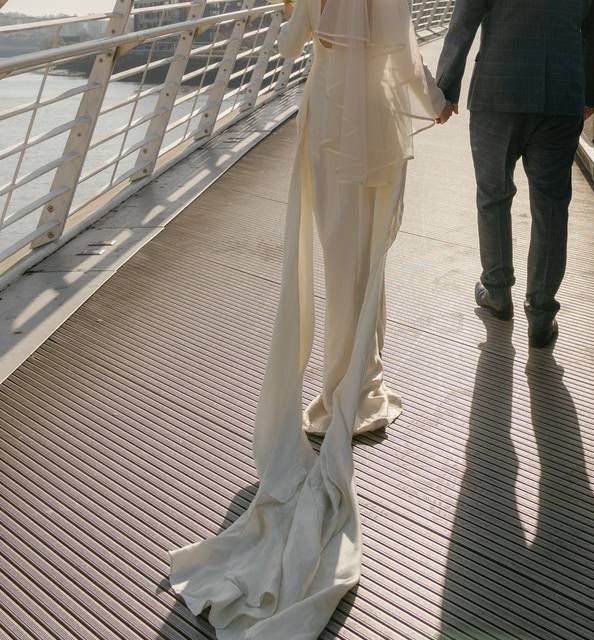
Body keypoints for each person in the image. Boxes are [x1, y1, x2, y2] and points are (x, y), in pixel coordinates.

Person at [167, 0, 445, 637]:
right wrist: (433, 100)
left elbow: (292, 45)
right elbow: (403, 52)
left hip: (327, 119)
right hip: (378, 119)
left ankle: (339, 386)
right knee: (368, 260)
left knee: (335, 253)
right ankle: (357, 381)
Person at [435, 0, 594, 348]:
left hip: (498, 89)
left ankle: (497, 291)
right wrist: (590, 92)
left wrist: (446, 87)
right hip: (561, 93)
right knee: (551, 207)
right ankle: (542, 314)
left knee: (493, 196)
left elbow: (465, 18)